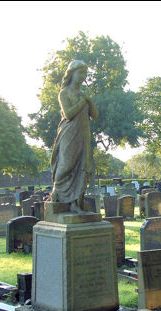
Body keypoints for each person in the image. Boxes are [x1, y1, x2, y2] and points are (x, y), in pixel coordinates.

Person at [50, 60, 99, 214]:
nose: (83, 76)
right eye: (80, 72)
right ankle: (57, 193)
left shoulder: (84, 95)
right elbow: (68, 114)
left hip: (83, 134)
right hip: (69, 132)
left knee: (83, 166)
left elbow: (95, 116)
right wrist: (82, 101)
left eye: (85, 73)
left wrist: (89, 100)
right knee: (66, 164)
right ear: (72, 73)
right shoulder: (64, 93)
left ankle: (76, 202)